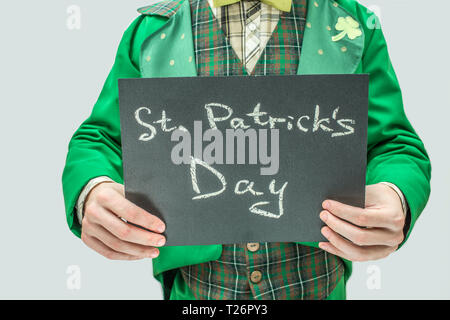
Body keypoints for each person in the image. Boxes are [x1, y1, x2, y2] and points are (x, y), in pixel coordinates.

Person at [62, 0, 431, 300]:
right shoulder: (150, 33)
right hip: (195, 297)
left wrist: (396, 194)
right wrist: (92, 191)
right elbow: (101, 138)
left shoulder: (353, 25)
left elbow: (394, 144)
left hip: (321, 288)